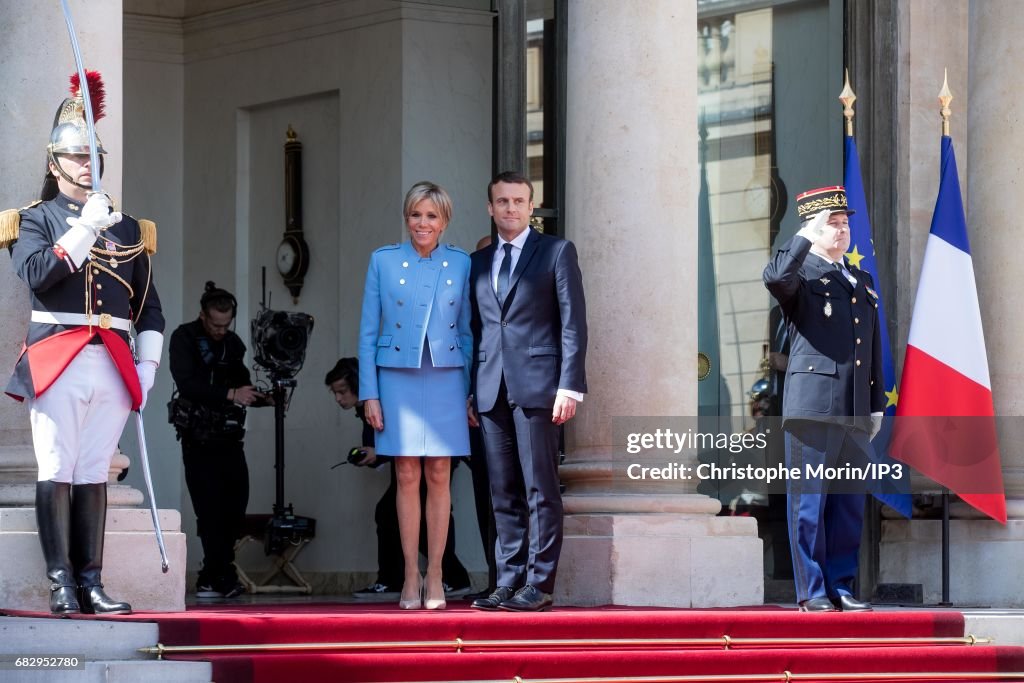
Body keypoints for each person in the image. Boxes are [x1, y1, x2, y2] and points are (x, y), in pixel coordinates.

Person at [1, 72, 163, 615]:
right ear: (55, 164)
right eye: (75, 155)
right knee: (57, 468)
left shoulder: (129, 228)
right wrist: (85, 227)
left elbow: (149, 307)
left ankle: (91, 582)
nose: (86, 163)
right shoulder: (33, 220)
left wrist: (149, 364)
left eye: (93, 154)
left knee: (94, 471)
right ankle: (60, 584)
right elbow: (39, 274)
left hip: (114, 361)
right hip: (58, 357)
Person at [469, 171, 587, 612]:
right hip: (489, 387)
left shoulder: (556, 251)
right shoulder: (478, 262)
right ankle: (508, 579)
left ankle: (539, 583)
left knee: (540, 487)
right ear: (490, 207)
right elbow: (477, 329)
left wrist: (570, 385)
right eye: (502, 201)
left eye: (519, 201)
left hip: (540, 386)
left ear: (531, 206)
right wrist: (470, 390)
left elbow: (573, 323)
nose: (511, 209)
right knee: (503, 490)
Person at [762, 185, 884, 613]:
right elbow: (775, 278)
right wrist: (804, 238)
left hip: (853, 408)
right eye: (831, 223)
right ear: (812, 228)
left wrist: (875, 405)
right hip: (813, 405)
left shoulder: (860, 281)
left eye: (844, 223)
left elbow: (871, 346)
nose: (841, 229)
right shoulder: (801, 274)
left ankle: (842, 585)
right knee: (809, 504)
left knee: (849, 504)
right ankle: (812, 590)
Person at [358, 181, 472, 610]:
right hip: (396, 378)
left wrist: (470, 393)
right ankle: (410, 574)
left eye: (432, 216)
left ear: (444, 221)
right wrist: (370, 393)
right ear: (407, 218)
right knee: (405, 474)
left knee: (440, 475)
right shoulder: (383, 262)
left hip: (446, 377)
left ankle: (438, 574)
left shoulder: (461, 264)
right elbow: (368, 332)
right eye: (416, 214)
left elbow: (468, 332)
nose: (423, 223)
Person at [323, 357, 471, 599]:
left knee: (406, 513)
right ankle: (432, 577)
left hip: (429, 455)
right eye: (335, 393)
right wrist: (375, 454)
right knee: (393, 513)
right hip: (411, 463)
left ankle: (442, 577)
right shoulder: (366, 407)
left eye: (342, 391)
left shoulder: (381, 398)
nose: (339, 399)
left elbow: (403, 431)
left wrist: (378, 453)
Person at [169, 282, 263, 599]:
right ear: (202, 316)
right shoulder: (184, 338)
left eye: (226, 324)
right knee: (208, 509)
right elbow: (187, 382)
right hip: (198, 436)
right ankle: (221, 576)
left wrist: (257, 395)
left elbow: (240, 379)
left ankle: (213, 574)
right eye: (215, 324)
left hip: (229, 436)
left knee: (236, 503)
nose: (221, 331)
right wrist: (229, 394)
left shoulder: (233, 344)